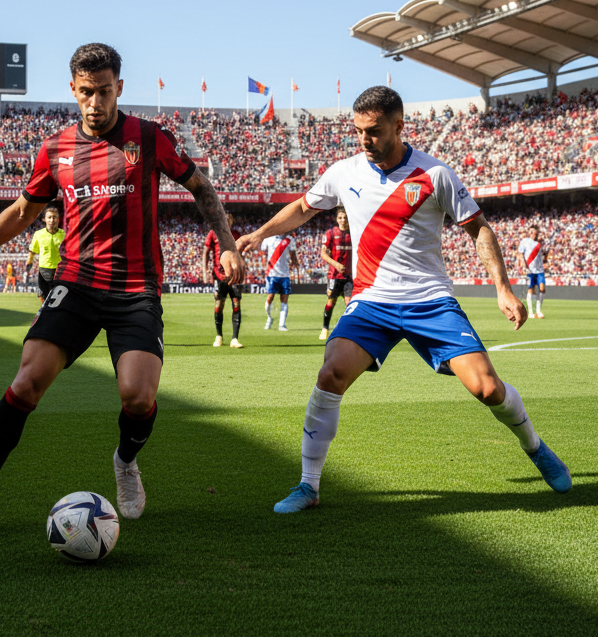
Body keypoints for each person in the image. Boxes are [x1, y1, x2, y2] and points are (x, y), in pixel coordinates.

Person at [0, 43, 245, 541]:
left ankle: (124, 461)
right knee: (27, 382)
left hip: (136, 289)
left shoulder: (149, 137)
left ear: (119, 86)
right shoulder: (55, 150)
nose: (94, 102)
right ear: (72, 90)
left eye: (103, 91)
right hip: (74, 284)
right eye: (84, 93)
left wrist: (227, 245)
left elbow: (201, 187)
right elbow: (21, 214)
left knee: (137, 398)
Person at [237, 86, 571, 514]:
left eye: (373, 131)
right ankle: (308, 485)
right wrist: (260, 234)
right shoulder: (344, 171)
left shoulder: (435, 175)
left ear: (398, 126)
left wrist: (502, 287)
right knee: (331, 374)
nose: (364, 140)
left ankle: (536, 447)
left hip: (430, 300)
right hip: (372, 301)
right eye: (358, 131)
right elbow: (303, 207)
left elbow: (480, 229)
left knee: (487, 388)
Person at [203, 212, 245, 348]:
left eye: (229, 220)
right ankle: (219, 336)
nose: (227, 222)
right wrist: (205, 271)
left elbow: (240, 254)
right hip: (219, 276)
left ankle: (234, 339)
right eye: (224, 220)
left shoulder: (236, 234)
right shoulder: (212, 234)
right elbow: (206, 252)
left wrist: (242, 268)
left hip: (234, 276)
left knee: (236, 304)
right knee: (219, 305)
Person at [319, 206, 352, 340]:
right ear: (336, 219)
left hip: (349, 276)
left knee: (350, 303)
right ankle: (325, 328)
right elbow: (323, 254)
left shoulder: (353, 233)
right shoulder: (330, 233)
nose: (343, 220)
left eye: (345, 217)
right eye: (340, 217)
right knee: (331, 302)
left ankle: (348, 330)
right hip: (334, 275)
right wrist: (336, 264)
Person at [27, 205, 65, 304]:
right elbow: (33, 251)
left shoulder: (64, 234)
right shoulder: (38, 234)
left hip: (60, 270)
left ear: (58, 219)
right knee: (43, 296)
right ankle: (44, 313)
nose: (52, 220)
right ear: (44, 219)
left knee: (59, 298)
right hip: (44, 269)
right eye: (49, 217)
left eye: (54, 217)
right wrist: (29, 263)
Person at [260, 232, 299, 331]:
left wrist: (295, 263)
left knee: (284, 299)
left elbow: (293, 255)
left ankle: (282, 324)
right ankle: (269, 318)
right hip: (271, 274)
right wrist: (264, 264)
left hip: (285, 274)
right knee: (270, 297)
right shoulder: (268, 238)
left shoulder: (290, 239)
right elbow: (263, 253)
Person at [516, 225, 547, 319]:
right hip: (530, 270)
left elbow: (544, 254)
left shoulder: (539, 243)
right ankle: (530, 313)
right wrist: (524, 266)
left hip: (540, 270)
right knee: (531, 290)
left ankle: (538, 311)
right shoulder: (524, 241)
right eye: (530, 232)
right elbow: (521, 254)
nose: (532, 233)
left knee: (542, 289)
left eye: (533, 232)